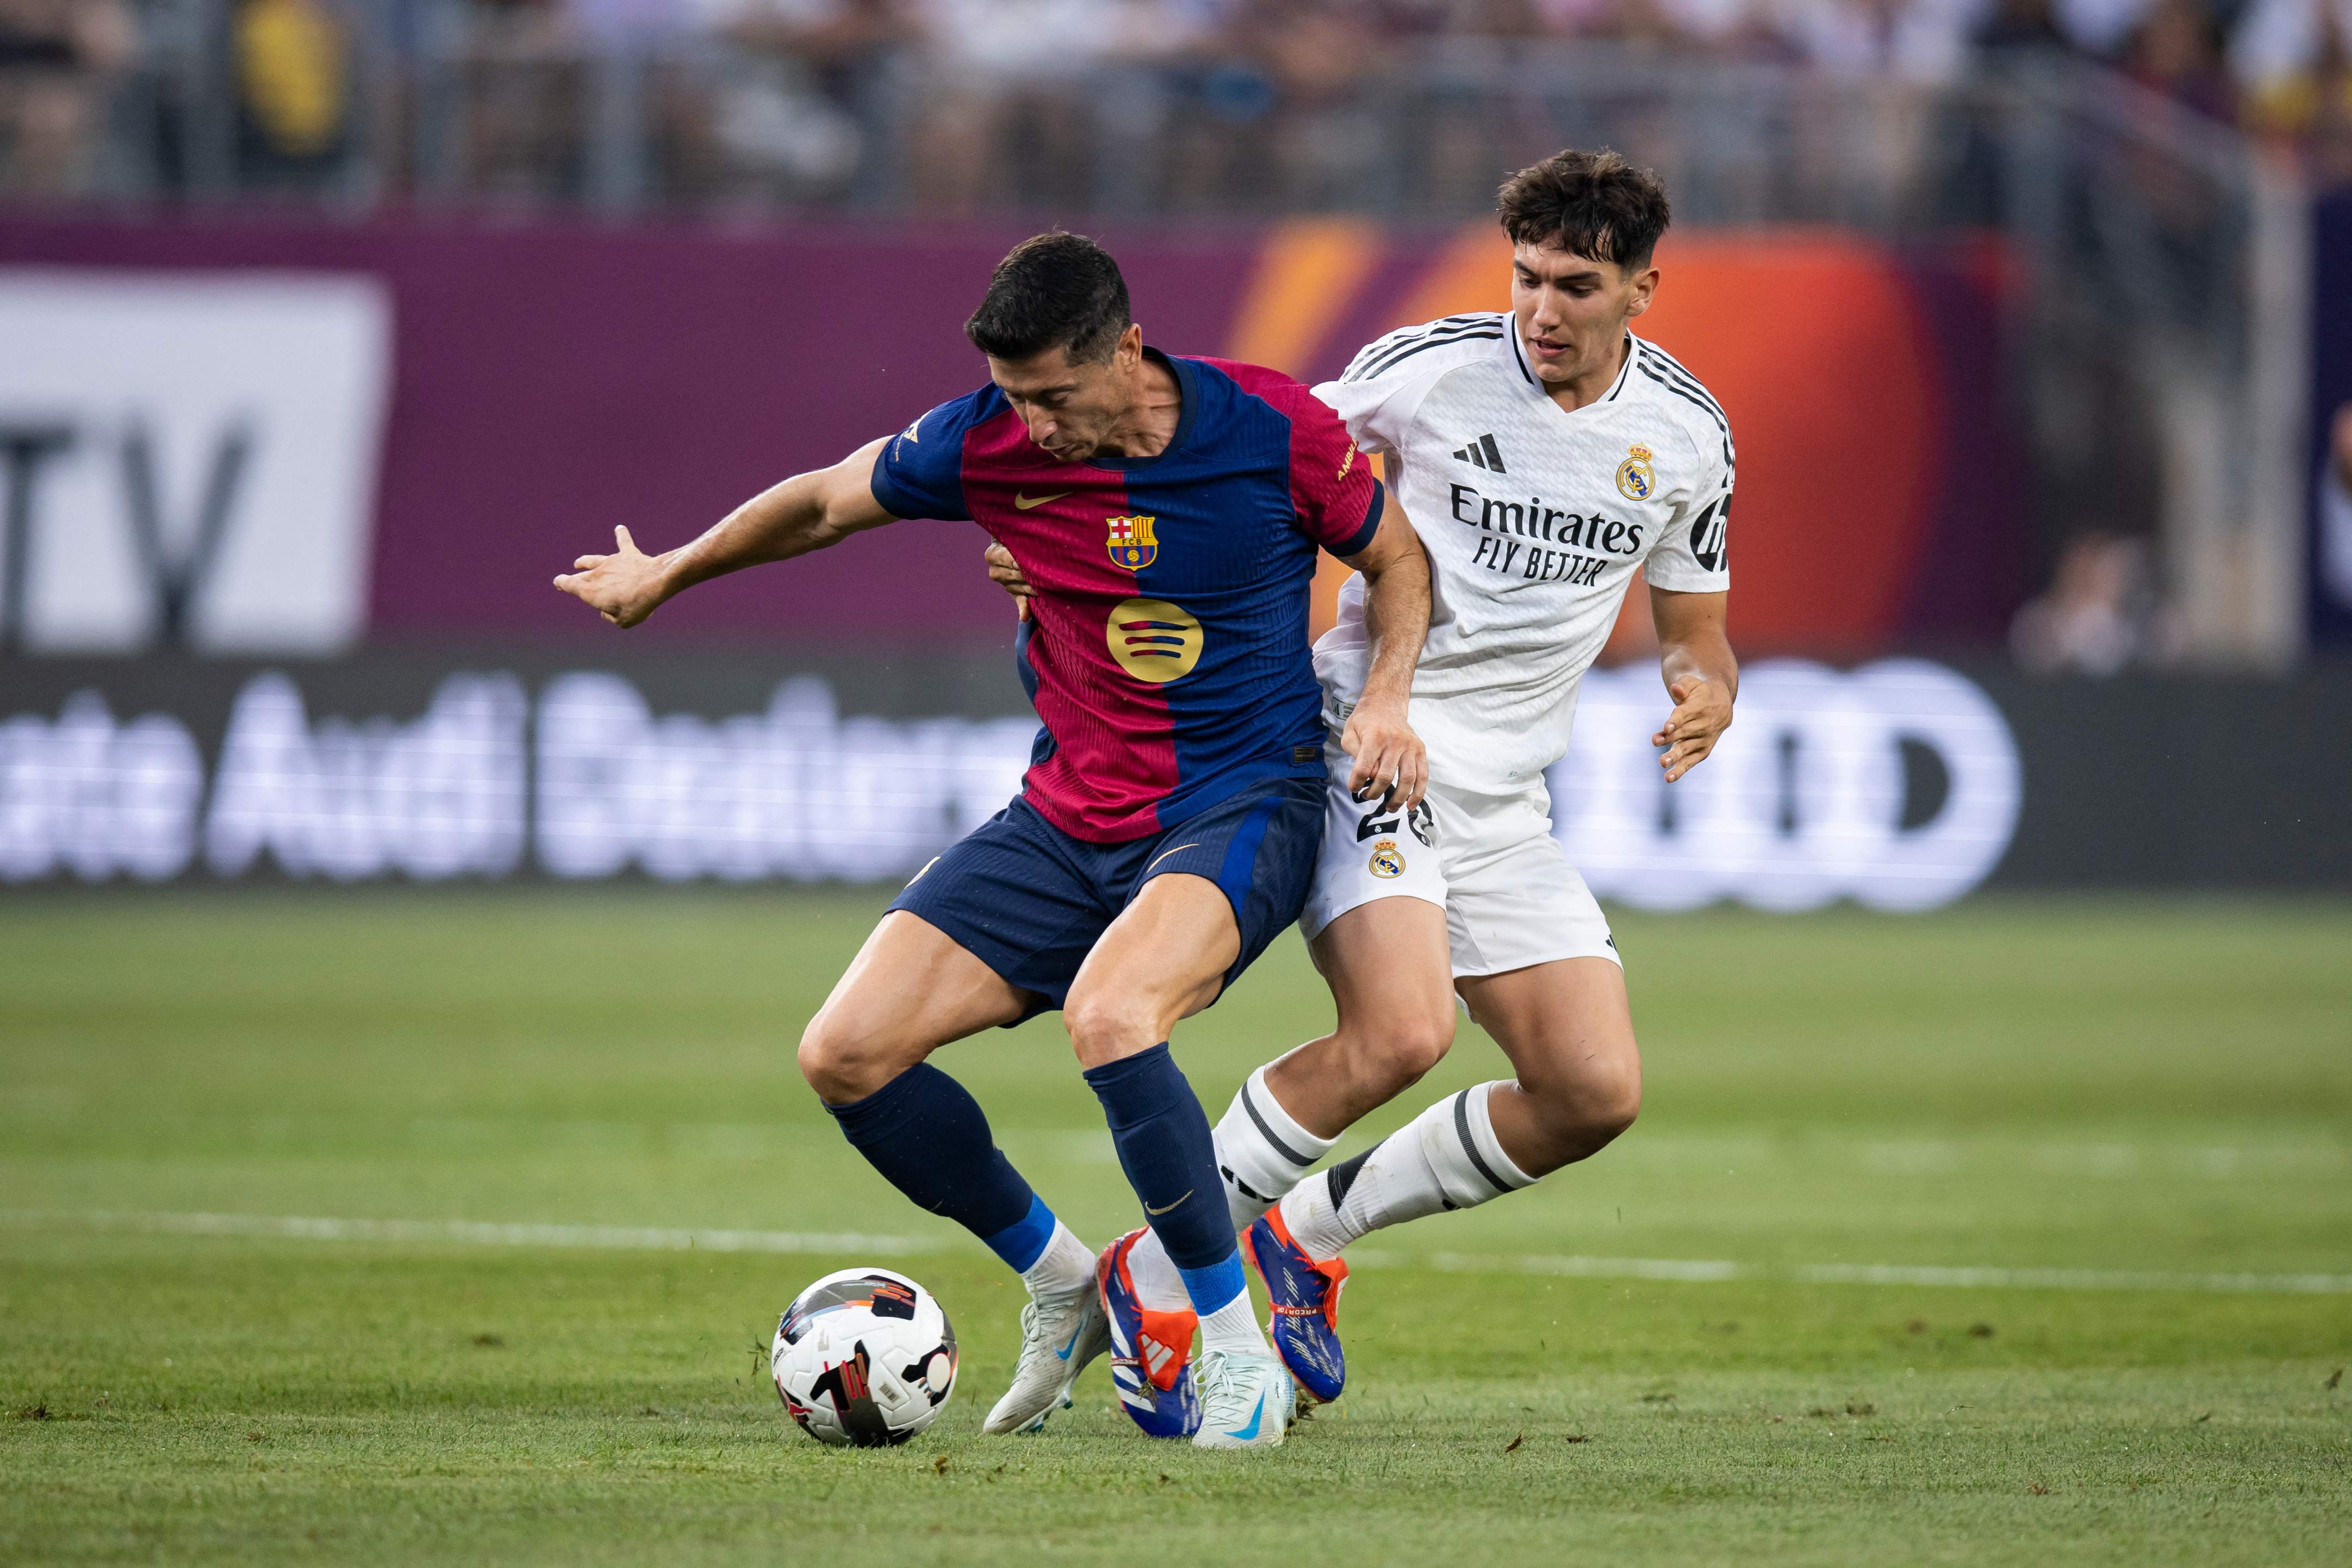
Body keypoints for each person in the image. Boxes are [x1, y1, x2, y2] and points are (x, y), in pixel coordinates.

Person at [553, 232, 1432, 1450]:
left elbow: (1394, 559)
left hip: (1242, 799)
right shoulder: (988, 440)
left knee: (1114, 1015)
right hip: (1068, 812)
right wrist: (669, 572)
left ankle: (1230, 1348)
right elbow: (820, 503)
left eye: (1055, 397)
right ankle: (1065, 1275)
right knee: (845, 1052)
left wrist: (1386, 694)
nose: (1035, 425)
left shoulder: (1273, 428)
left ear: (1129, 351)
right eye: (1015, 397)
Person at [987, 150, 1738, 1428]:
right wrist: (1085, 554)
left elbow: (1695, 624)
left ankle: (1304, 1239)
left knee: (1591, 1092)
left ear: (1643, 290)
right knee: (1401, 1032)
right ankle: (1164, 1272)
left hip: (1509, 796)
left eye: (1576, 284)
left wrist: (1703, 685)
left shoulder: (1686, 435)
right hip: (1367, 742)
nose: (1542, 309)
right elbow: (1248, 452)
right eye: (1527, 277)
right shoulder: (1431, 366)